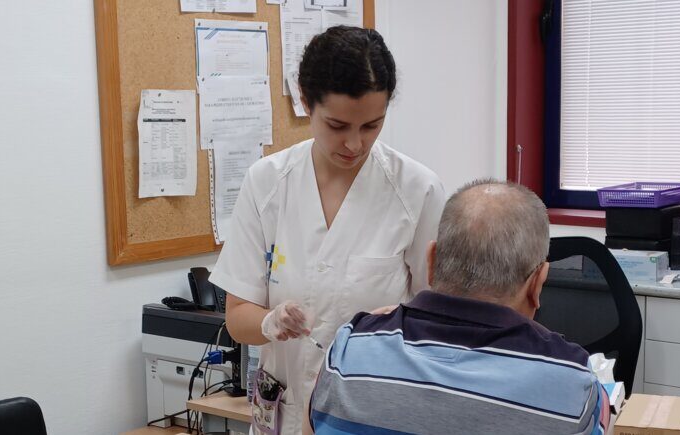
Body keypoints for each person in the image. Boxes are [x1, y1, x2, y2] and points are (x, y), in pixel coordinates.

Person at [208, 26, 445, 434]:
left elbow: (440, 322)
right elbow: (237, 318)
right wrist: (270, 322)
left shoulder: (416, 191)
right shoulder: (266, 183)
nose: (354, 143)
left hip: (371, 413)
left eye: (371, 125)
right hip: (281, 409)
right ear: (305, 100)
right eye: (337, 125)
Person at [309, 179, 611, 435]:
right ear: (537, 283)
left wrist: (364, 332)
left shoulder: (346, 354)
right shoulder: (571, 387)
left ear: (431, 261)